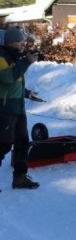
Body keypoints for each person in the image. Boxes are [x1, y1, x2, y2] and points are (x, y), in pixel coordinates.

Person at [0, 27, 41, 189]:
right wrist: (26, 61)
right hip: (5, 110)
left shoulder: (14, 58)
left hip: (18, 109)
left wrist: (27, 93)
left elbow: (14, 85)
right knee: (3, 144)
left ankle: (20, 178)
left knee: (22, 143)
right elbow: (7, 79)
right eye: (20, 42)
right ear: (10, 42)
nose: (23, 45)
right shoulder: (2, 58)